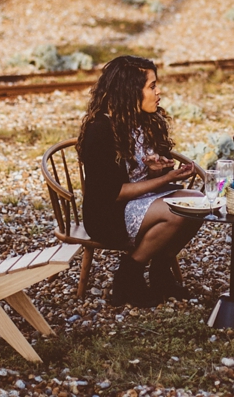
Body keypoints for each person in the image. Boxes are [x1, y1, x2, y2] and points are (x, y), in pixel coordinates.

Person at [77, 55, 204, 307]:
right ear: (130, 91)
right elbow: (113, 193)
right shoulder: (100, 130)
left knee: (199, 204)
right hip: (109, 214)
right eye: (152, 86)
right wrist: (166, 179)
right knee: (178, 213)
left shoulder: (144, 120)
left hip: (141, 201)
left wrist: (157, 170)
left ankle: (161, 272)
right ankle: (129, 274)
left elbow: (144, 175)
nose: (158, 93)